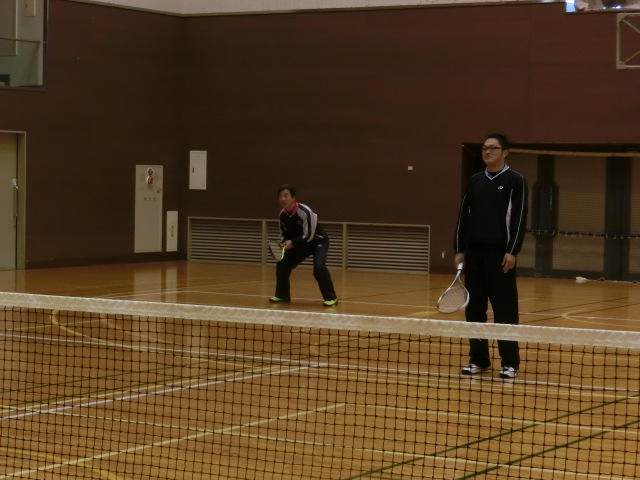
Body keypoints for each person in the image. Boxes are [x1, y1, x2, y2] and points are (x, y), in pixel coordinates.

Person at [453, 133, 528, 379]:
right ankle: (479, 359)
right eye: (485, 148)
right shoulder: (474, 180)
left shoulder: (516, 180)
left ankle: (510, 362)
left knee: (505, 310)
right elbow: (463, 217)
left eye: (493, 148)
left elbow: (519, 218)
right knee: (474, 309)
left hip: (500, 255)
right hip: (473, 254)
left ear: (505, 152)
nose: (487, 151)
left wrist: (512, 250)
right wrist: (459, 249)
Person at [270, 184, 338, 307]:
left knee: (319, 268)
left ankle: (331, 298)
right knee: (282, 265)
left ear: (293, 198)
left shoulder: (305, 211)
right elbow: (283, 234)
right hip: (301, 243)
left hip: (317, 241)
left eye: (286, 196)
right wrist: (285, 242)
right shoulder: (282, 215)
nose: (283, 199)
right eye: (280, 196)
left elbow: (309, 235)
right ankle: (282, 295)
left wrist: (293, 243)